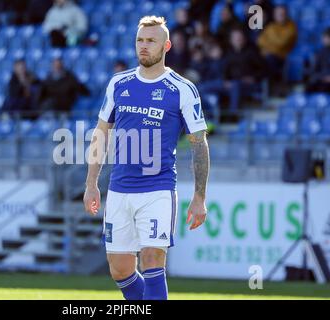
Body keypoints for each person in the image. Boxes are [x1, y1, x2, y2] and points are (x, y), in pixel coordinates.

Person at [83, 16, 210, 300]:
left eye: (150, 41)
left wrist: (199, 196)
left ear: (166, 46)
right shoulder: (119, 83)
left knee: (152, 260)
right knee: (120, 269)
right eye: (140, 40)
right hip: (118, 189)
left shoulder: (182, 89)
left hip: (158, 190)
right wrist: (92, 183)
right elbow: (100, 134)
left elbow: (199, 144)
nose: (143, 46)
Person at [257, 5, 297, 84]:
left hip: (281, 56)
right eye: (278, 14)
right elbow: (260, 41)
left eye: (282, 14)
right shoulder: (271, 26)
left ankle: (271, 86)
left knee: (270, 59)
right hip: (267, 55)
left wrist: (268, 44)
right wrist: (271, 43)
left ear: (286, 14)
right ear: (274, 15)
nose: (280, 16)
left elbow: (281, 43)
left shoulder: (291, 26)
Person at [307, 27, 330, 93]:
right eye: (323, 38)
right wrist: (324, 77)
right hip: (323, 80)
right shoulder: (320, 53)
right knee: (310, 88)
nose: (323, 40)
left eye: (326, 38)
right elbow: (314, 71)